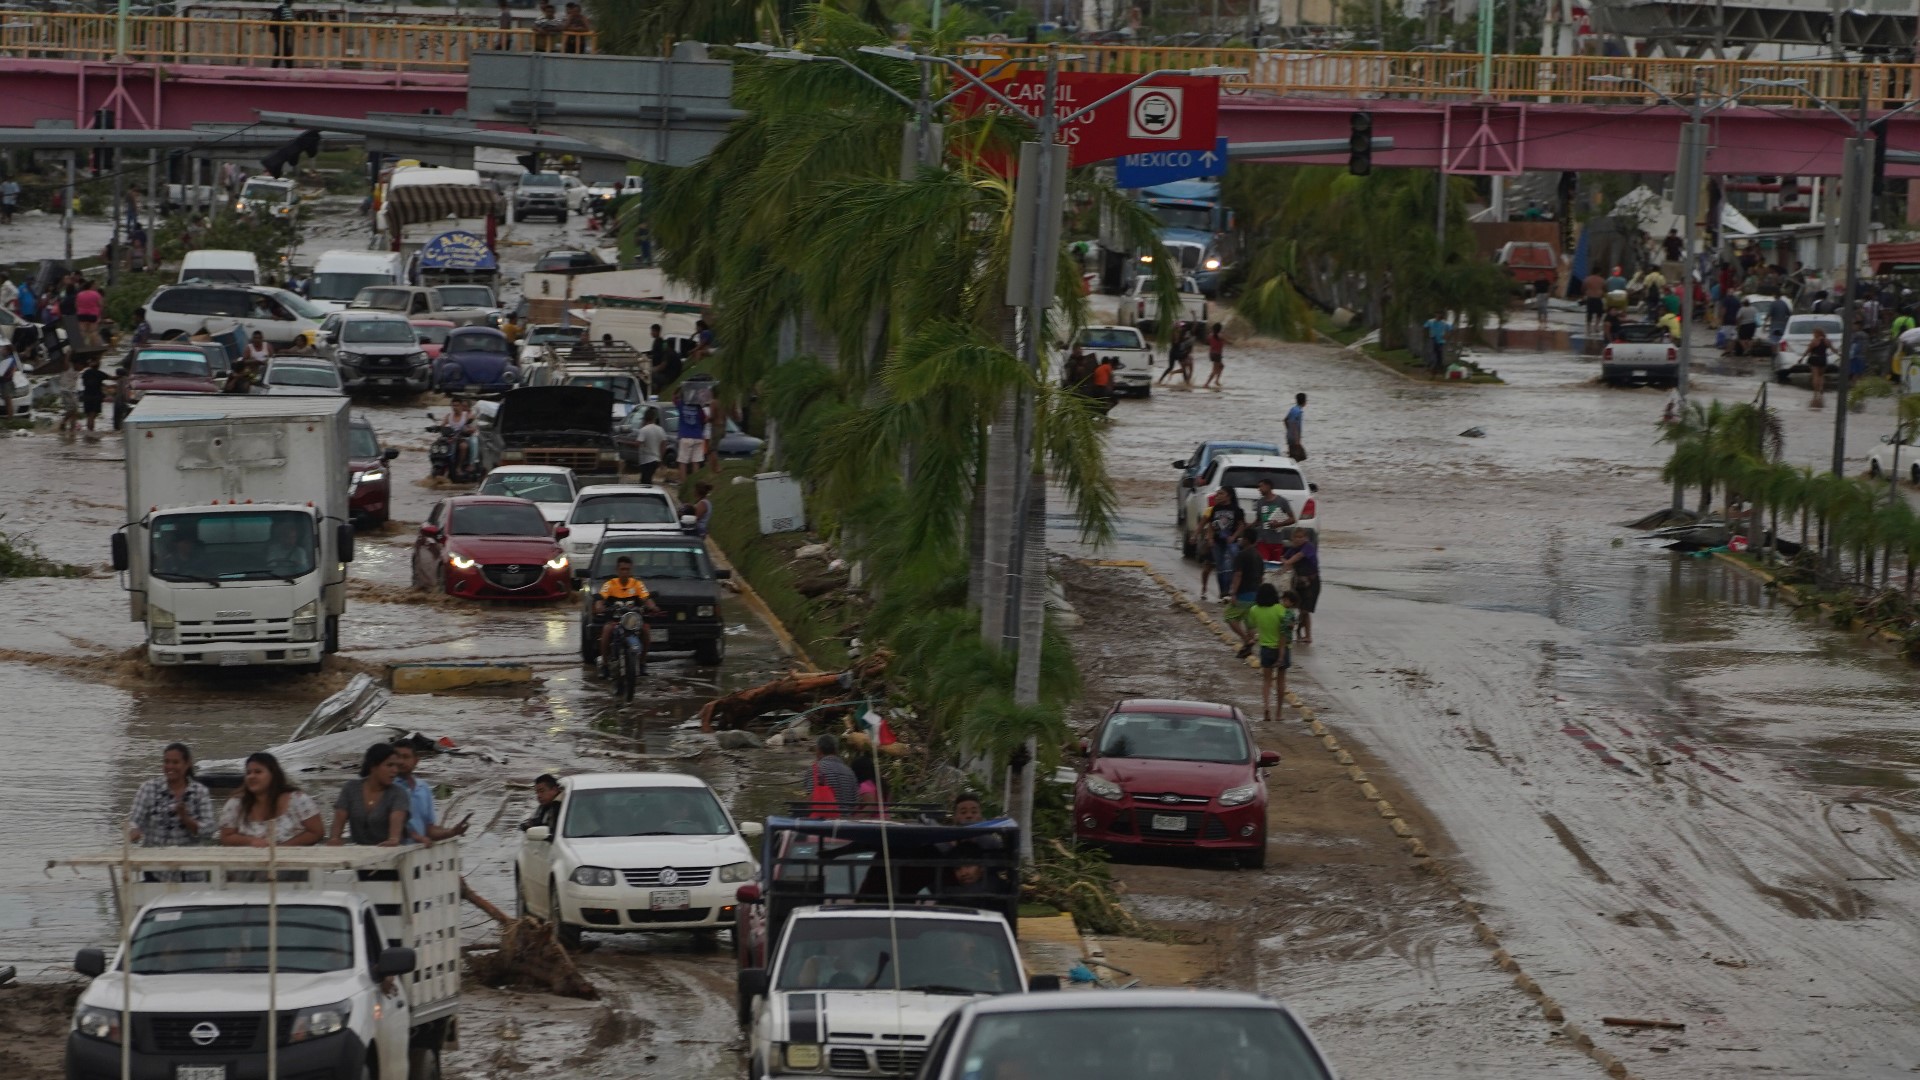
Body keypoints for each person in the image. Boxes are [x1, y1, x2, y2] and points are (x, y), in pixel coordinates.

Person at [218, 752, 324, 847]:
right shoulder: (236, 803)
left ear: (273, 775)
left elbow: (316, 832)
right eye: (248, 773)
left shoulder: (298, 799)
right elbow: (226, 836)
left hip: (293, 862)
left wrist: (283, 849)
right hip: (247, 863)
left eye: (258, 772)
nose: (251, 776)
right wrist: (251, 841)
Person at [128, 742, 213, 847]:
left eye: (175, 762)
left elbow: (209, 831)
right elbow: (134, 821)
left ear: (187, 764)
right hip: (153, 855)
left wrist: (185, 818)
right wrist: (134, 831)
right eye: (166, 762)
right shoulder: (148, 788)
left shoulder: (200, 792)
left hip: (189, 856)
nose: (170, 766)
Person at [329, 743, 410, 847]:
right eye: (389, 765)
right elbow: (339, 820)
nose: (395, 770)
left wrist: (393, 839)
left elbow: (396, 826)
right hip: (359, 854)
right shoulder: (351, 789)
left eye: (397, 766)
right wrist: (334, 839)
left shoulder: (398, 793)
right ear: (373, 766)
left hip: (389, 854)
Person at [392, 742, 471, 846]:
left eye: (406, 757)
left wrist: (451, 832)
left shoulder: (423, 788)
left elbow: (429, 829)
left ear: (416, 761)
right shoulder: (387, 787)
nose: (401, 761)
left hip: (417, 856)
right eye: (397, 757)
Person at [597, 554, 662, 675]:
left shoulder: (637, 584)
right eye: (622, 569)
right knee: (606, 631)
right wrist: (599, 607)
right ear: (617, 570)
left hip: (633, 621)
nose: (625, 572)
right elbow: (600, 600)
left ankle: (642, 663)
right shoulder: (609, 584)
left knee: (646, 630)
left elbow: (646, 598)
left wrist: (652, 607)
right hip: (615, 621)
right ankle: (605, 665)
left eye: (627, 569)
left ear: (631, 570)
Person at [1244, 583, 1295, 722]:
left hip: (1265, 648)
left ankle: (1266, 707)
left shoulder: (1254, 610)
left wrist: (1253, 637)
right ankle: (1278, 713)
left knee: (1266, 681)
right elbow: (1288, 626)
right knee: (1281, 682)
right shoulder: (1280, 609)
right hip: (1283, 649)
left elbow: (1250, 628)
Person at [1196, 483, 1243, 600]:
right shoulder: (1215, 509)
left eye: (1221, 494)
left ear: (1229, 496)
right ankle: (1223, 592)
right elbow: (1211, 525)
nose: (1218, 496)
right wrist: (1210, 538)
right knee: (1220, 568)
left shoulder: (1236, 510)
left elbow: (1241, 526)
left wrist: (1234, 537)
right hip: (1217, 543)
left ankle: (1229, 591)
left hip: (1231, 543)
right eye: (1218, 494)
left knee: (1230, 567)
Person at [1224, 526, 1265, 658]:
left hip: (1243, 593)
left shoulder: (1241, 555)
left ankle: (1246, 639)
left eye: (1241, 538)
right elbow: (1261, 577)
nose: (1240, 540)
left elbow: (1238, 575)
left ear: (1246, 540)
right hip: (1255, 593)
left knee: (1229, 616)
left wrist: (1233, 593)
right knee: (1249, 622)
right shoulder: (1259, 556)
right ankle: (1248, 647)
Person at [1279, 527, 1319, 644]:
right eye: (1296, 537)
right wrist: (1284, 562)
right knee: (1296, 608)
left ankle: (1306, 634)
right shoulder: (1293, 548)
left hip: (1312, 583)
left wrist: (1287, 563)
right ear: (1292, 538)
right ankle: (1299, 633)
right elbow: (1283, 557)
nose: (1299, 539)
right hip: (1298, 583)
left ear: (1306, 538)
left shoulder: (1308, 546)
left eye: (1301, 537)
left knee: (1305, 610)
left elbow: (1299, 556)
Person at [804, 733, 861, 815]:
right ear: (836, 751)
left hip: (823, 824)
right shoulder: (849, 772)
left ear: (819, 750)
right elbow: (856, 803)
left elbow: (809, 802)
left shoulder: (816, 769)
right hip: (847, 824)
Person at [1250, 477, 1296, 564]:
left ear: (1268, 486)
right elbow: (1259, 520)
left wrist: (1279, 524)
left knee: (1275, 566)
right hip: (1262, 541)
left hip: (1276, 541)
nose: (1259, 489)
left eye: (1261, 486)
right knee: (1263, 564)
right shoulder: (1259, 502)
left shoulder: (1282, 501)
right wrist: (1249, 525)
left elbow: (1293, 519)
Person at [673, 387, 707, 481]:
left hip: (685, 436)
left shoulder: (681, 404)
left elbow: (674, 398)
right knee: (695, 462)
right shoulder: (698, 407)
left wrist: (679, 388)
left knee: (683, 462)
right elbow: (705, 419)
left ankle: (683, 483)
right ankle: (695, 483)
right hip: (698, 436)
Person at [634, 405, 668, 483]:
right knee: (647, 479)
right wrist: (660, 457)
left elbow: (638, 443)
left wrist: (626, 442)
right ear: (654, 418)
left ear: (644, 418)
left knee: (645, 481)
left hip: (646, 460)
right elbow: (664, 445)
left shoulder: (644, 430)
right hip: (656, 459)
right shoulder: (660, 429)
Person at [79, 354, 107, 433]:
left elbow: (83, 384)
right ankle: (90, 432)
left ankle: (89, 432)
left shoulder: (86, 373)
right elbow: (112, 377)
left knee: (89, 416)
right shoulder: (100, 373)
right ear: (98, 365)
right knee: (92, 415)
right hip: (96, 397)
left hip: (87, 396)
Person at [1806, 327, 1832, 408]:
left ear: (1817, 333)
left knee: (1815, 375)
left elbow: (1808, 350)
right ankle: (1821, 388)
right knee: (1821, 375)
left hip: (1815, 358)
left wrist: (1802, 357)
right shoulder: (1826, 341)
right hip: (1823, 359)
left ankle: (1815, 392)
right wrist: (1839, 354)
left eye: (1814, 333)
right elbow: (1833, 349)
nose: (1813, 335)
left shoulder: (1815, 341)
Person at [73, 279, 102, 348]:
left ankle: (80, 346)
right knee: (93, 332)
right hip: (93, 315)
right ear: (91, 286)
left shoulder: (79, 294)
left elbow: (76, 305)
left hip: (82, 315)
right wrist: (99, 315)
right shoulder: (96, 294)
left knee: (83, 331)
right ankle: (94, 347)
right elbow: (100, 305)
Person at [1201, 322, 1227, 389]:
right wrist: (1235, 343)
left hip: (1212, 354)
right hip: (1217, 354)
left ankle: (1217, 381)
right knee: (1214, 370)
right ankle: (1206, 384)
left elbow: (1206, 342)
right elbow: (1227, 341)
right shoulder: (1220, 336)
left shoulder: (1210, 335)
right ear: (1219, 329)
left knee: (1221, 366)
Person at [270, 0, 296, 68]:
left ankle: (276, 67)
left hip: (278, 32)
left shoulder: (281, 8)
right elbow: (288, 21)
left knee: (282, 49)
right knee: (284, 50)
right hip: (283, 32)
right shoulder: (287, 9)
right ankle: (288, 67)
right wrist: (292, 28)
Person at [1284, 392, 1307, 462]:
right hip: (1294, 439)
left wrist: (1289, 430)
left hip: (1290, 437)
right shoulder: (1298, 411)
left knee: (1297, 456)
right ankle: (1289, 470)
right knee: (1297, 457)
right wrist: (1297, 440)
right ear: (1304, 402)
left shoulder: (1293, 409)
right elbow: (1293, 424)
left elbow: (1285, 420)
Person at [1581, 270, 1605, 335]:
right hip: (1598, 298)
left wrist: (1585, 294)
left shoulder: (1587, 279)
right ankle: (1596, 327)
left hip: (1590, 297)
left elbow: (1583, 288)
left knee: (1589, 313)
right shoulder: (1601, 279)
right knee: (1599, 313)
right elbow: (1604, 288)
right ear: (1599, 272)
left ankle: (1588, 329)